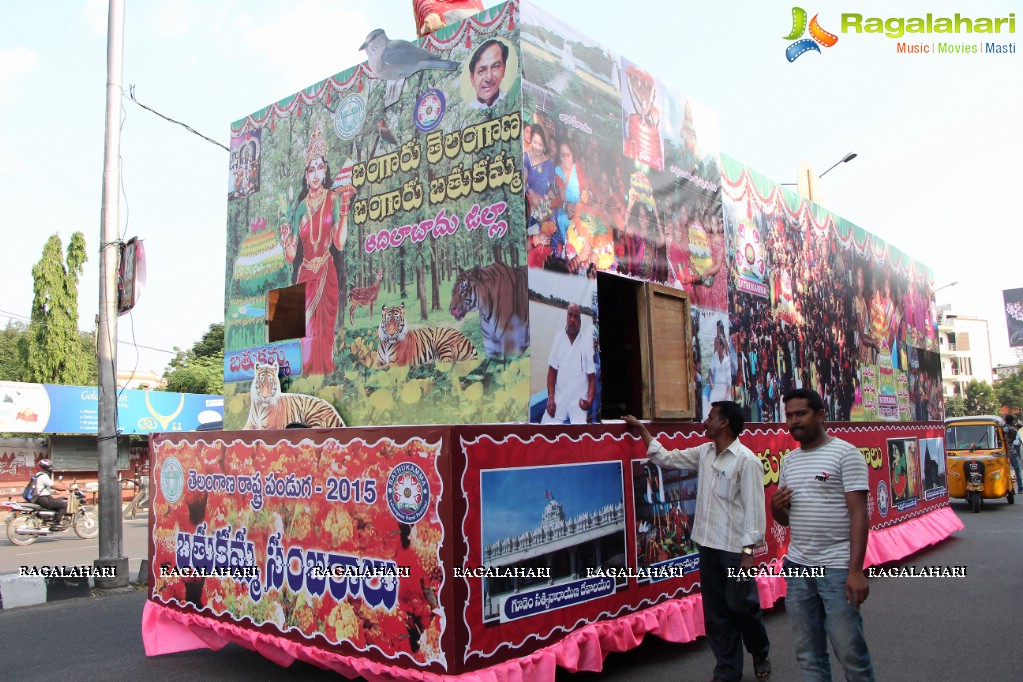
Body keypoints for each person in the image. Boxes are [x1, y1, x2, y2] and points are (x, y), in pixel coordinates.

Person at [624, 402, 771, 682]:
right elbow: (666, 458)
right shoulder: (703, 453)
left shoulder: (746, 461)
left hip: (736, 552)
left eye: (710, 417)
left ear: (724, 423)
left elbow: (755, 512)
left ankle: (759, 650)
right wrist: (642, 429)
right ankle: (727, 671)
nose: (705, 422)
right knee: (716, 613)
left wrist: (748, 555)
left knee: (744, 607)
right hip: (708, 547)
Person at [772, 388, 875, 681]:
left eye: (801, 414)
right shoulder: (789, 462)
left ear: (819, 415)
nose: (793, 421)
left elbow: (859, 514)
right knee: (808, 656)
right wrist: (774, 507)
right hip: (798, 568)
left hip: (836, 569)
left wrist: (855, 571)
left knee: (851, 653)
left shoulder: (845, 454)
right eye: (789, 415)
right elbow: (785, 519)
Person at [279, 120, 350, 375]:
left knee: (324, 331)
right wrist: (287, 240)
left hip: (327, 272)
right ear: (306, 174)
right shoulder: (299, 208)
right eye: (311, 170)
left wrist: (344, 210)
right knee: (305, 332)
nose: (316, 174)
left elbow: (339, 242)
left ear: (325, 170)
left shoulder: (333, 198)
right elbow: (290, 257)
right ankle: (306, 375)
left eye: (320, 168)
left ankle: (325, 375)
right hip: (306, 274)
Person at [542, 304, 595, 424]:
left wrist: (590, 400)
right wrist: (551, 398)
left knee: (580, 434)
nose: (572, 320)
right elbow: (552, 371)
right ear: (566, 318)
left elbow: (591, 377)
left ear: (580, 322)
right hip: (560, 398)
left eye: (576, 317)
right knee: (545, 427)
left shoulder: (586, 342)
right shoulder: (558, 338)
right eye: (570, 315)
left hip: (579, 401)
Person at [467, 39, 508, 109]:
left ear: (504, 70)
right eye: (481, 71)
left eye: (495, 67)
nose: (488, 77)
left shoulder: (511, 98)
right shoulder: (468, 110)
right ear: (472, 78)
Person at [33, 458, 68, 530]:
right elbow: (54, 486)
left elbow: (42, 488)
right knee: (64, 504)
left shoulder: (38, 475)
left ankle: (51, 519)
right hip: (43, 499)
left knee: (61, 499)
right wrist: (68, 488)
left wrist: (54, 492)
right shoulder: (43, 476)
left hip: (40, 498)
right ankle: (56, 523)